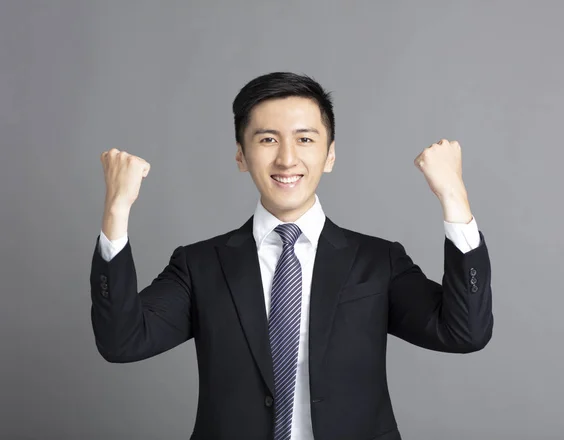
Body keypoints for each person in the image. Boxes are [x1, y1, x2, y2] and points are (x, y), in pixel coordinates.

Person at [90, 72, 493, 440]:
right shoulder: (199, 266)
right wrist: (116, 209)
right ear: (240, 156)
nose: (286, 159)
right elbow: (123, 342)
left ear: (330, 154)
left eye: (305, 139)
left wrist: (454, 197)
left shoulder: (378, 261)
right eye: (267, 139)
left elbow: (464, 332)